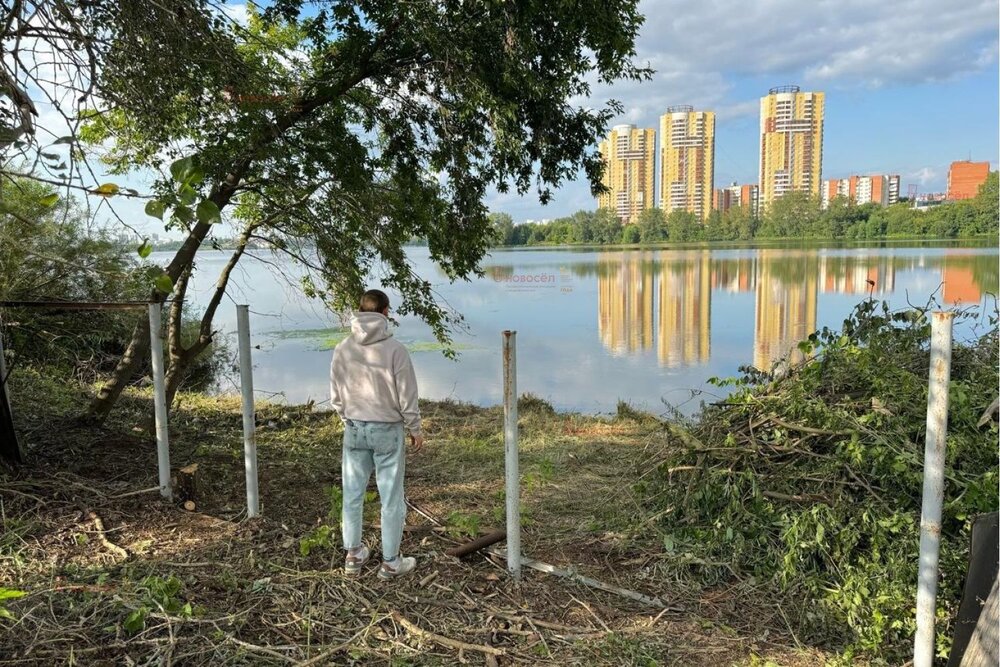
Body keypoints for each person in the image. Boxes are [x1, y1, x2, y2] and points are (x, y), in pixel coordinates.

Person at [329, 289, 423, 579]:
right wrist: (415, 427)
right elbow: (407, 395)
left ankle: (353, 556)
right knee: (391, 497)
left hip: (355, 428)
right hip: (387, 430)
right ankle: (391, 562)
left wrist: (348, 417)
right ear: (384, 313)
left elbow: (335, 396)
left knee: (353, 494)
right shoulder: (395, 350)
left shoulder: (343, 348)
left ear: (359, 312)